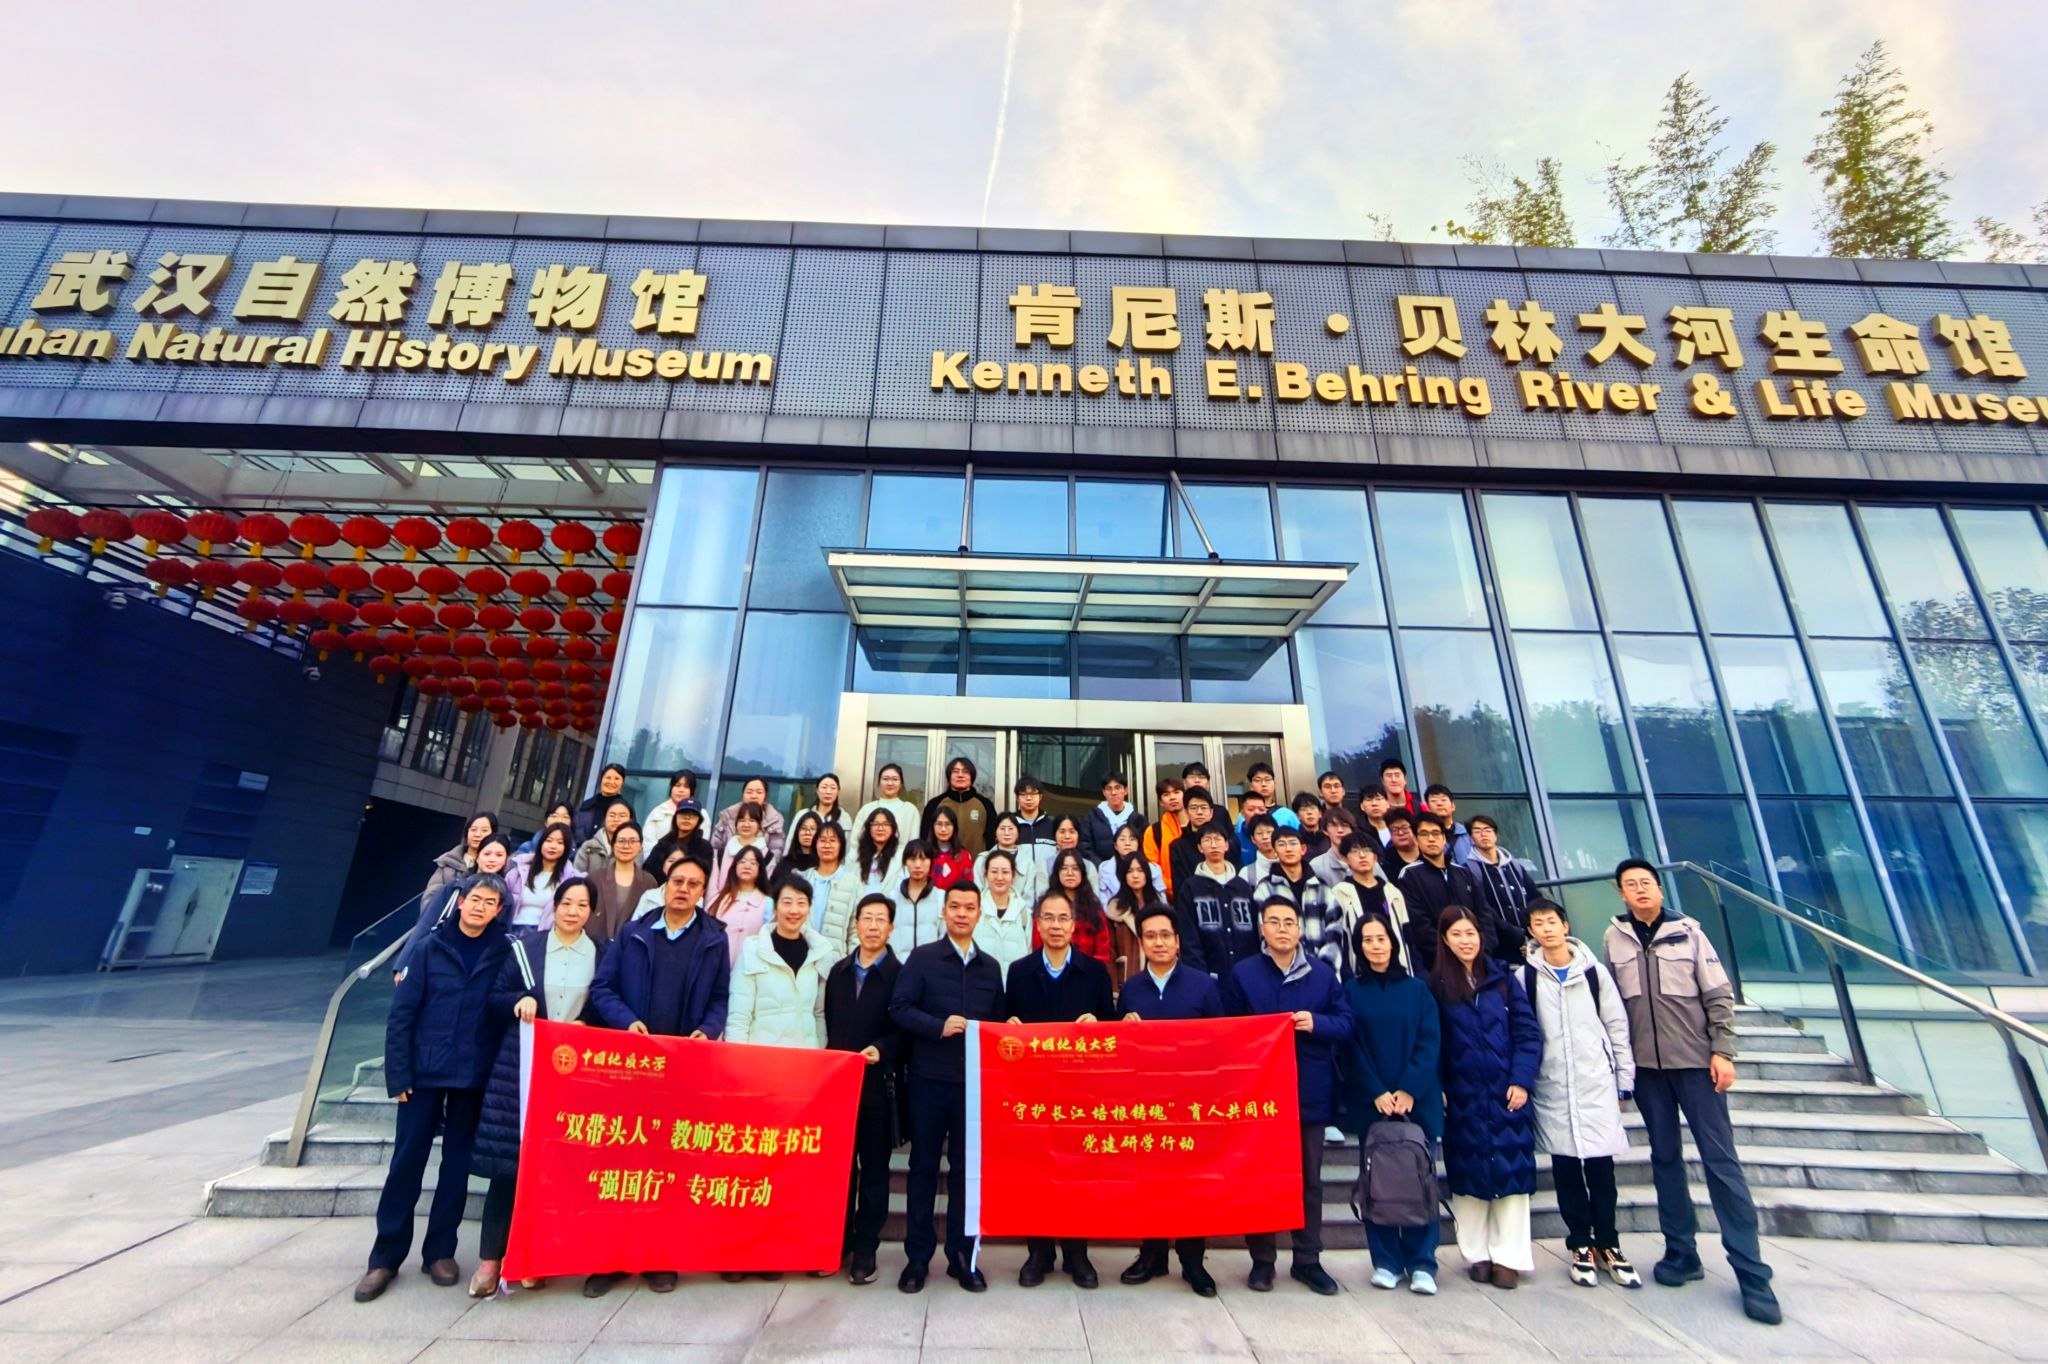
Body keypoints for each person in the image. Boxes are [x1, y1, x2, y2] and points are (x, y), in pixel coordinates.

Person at [1601, 860, 1779, 1324]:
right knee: (1664, 1159)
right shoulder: (1614, 939)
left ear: (1659, 889)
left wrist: (1723, 1050)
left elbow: (1719, 995)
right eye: (1630, 885)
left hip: (1698, 1064)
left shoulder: (1690, 933)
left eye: (1646, 883)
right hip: (1647, 1069)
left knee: (1721, 1162)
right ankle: (1681, 1252)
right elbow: (1612, 1006)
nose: (1640, 890)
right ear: (1621, 894)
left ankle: (1752, 1273)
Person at [354, 873, 510, 1303]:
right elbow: (402, 1014)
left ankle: (440, 1251)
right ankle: (385, 1257)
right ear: (460, 902)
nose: (480, 907)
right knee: (407, 1162)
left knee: (456, 1167)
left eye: (489, 903)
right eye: (475, 899)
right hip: (423, 1072)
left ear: (499, 911)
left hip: (472, 1075)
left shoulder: (503, 952)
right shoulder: (428, 948)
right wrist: (398, 1074)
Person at [585, 855, 727, 1297]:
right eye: (677, 881)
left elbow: (720, 997)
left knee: (669, 1167)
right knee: (622, 1165)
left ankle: (660, 1257)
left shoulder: (714, 939)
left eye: (693, 884)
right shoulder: (635, 932)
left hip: (682, 1071)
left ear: (703, 891)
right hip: (633, 1069)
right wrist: (626, 1022)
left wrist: (708, 1029)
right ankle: (610, 1259)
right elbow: (602, 988)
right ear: (665, 885)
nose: (683, 888)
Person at [469, 878, 605, 1298]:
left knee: (554, 1173)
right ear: (554, 906)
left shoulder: (602, 955)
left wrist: (588, 1023)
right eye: (566, 903)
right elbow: (494, 996)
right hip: (520, 1068)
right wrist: (518, 1001)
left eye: (582, 905)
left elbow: (605, 1003)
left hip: (571, 1074)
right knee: (508, 1170)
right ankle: (490, 1261)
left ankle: (534, 1257)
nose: (572, 911)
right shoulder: (527, 949)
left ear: (592, 912)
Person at [1222, 897, 1352, 1295]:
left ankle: (1307, 1260)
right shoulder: (1243, 973)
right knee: (1260, 1179)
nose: (1282, 929)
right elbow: (1227, 1029)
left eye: (1289, 922)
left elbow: (1346, 1023)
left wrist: (1317, 1023)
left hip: (1308, 1091)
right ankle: (1262, 1261)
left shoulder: (1322, 974)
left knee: (1309, 1181)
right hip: (1259, 1095)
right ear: (1262, 929)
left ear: (1299, 930)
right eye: (1274, 922)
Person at [889, 882, 1006, 1293]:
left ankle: (961, 1256)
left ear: (979, 914)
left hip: (973, 1087)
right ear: (944, 911)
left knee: (965, 1173)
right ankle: (917, 1259)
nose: (961, 913)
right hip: (928, 1081)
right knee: (923, 1168)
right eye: (954, 906)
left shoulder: (990, 967)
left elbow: (998, 1023)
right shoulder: (922, 959)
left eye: (969, 908)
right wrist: (937, 1026)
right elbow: (899, 1008)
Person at [1521, 898, 1641, 1290]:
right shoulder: (1525, 977)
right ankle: (1580, 1245)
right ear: (1531, 932)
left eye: (1551, 921)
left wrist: (1624, 1077)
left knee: (1602, 1169)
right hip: (1553, 1084)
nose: (1546, 929)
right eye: (1538, 924)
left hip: (1595, 1082)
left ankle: (1609, 1243)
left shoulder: (1593, 972)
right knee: (1566, 1169)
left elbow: (1616, 1024)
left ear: (1565, 925)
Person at [1003, 888, 1116, 1289]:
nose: (1055, 925)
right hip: (1032, 1092)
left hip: (1078, 1092)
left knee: (1077, 1172)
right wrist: (1009, 1027)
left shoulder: (1094, 972)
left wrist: (1098, 1025)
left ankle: (1077, 1253)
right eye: (1048, 918)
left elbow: (1111, 1027)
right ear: (1037, 924)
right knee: (1035, 1172)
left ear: (1073, 925)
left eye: (1062, 918)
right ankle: (1039, 1253)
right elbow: (1005, 1027)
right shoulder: (1019, 971)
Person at [1431, 904, 1542, 1291]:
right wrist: (1438, 1085)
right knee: (1468, 1177)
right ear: (1445, 940)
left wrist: (1521, 1080)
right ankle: (1477, 1254)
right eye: (1457, 934)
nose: (1466, 941)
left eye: (1471, 933)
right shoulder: (1436, 985)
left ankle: (1509, 1258)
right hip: (1461, 1095)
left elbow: (1527, 1033)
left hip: (1505, 1092)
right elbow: (1432, 1042)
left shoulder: (1503, 979)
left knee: (1511, 1175)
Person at [1115, 904, 1224, 1297]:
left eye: (1165, 935)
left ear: (1178, 942)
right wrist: (1124, 1029)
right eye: (1150, 936)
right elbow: (1118, 1050)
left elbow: (1220, 1043)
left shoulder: (1203, 986)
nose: (1158, 942)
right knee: (1150, 1181)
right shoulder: (1131, 989)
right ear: (1142, 943)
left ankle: (1193, 1261)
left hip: (1190, 1103)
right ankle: (1153, 1255)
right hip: (1146, 1102)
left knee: (1191, 1183)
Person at [1339, 914, 1443, 1296]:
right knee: (1378, 1184)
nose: (1375, 946)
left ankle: (1422, 1263)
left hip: (1417, 1103)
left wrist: (1409, 1089)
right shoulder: (1351, 992)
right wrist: (1376, 1091)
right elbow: (1350, 1046)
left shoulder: (1418, 989)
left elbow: (1430, 1041)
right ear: (1359, 947)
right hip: (1374, 1105)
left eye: (1381, 938)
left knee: (1420, 1181)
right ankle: (1386, 1261)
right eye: (1367, 940)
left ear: (1393, 942)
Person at [824, 893, 902, 1286]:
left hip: (878, 1087)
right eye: (866, 918)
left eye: (880, 919)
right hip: (840, 1086)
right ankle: (836, 1243)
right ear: (855, 924)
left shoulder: (901, 975)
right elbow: (830, 1023)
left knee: (873, 1170)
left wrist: (882, 1049)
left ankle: (866, 1247)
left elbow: (904, 1029)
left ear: (891, 928)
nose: (872, 926)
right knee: (838, 1170)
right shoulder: (838, 972)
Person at [727, 877, 832, 1048]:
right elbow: (738, 1017)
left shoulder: (819, 953)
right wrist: (737, 1058)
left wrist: (820, 1052)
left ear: (809, 908)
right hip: (763, 1056)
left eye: (801, 903)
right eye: (787, 902)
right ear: (775, 907)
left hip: (805, 1056)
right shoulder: (752, 952)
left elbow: (818, 1015)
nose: (794, 910)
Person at [402, 835, 514, 973]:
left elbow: (503, 936)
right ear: (477, 856)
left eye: (499, 855)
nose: (492, 859)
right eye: (487, 854)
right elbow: (425, 925)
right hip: (438, 957)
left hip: (474, 968)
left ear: (506, 860)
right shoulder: (455, 887)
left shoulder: (506, 898)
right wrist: (402, 965)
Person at [1398, 813, 1484, 972]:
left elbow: (1483, 913)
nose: (1431, 839)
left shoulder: (1463, 873)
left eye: (1436, 833)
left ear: (1444, 838)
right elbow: (1418, 924)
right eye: (1424, 834)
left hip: (1476, 958)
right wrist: (1450, 951)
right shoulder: (1409, 875)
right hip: (1437, 963)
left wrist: (1482, 949)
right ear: (1416, 840)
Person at [1175, 823, 1257, 979]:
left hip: (1246, 975)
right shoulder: (1191, 887)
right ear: (1200, 847)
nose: (1213, 845)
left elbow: (1253, 934)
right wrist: (1200, 976)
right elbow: (1189, 937)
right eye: (1207, 840)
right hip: (1207, 977)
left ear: (1226, 845)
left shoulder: (1242, 886)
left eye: (1218, 839)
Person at [1326, 833, 1412, 980]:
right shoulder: (1339, 894)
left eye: (1367, 850)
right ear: (1345, 859)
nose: (1362, 856)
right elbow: (1336, 940)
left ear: (1375, 857)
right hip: (1358, 974)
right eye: (1355, 851)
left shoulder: (1392, 893)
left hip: (1396, 971)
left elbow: (1406, 934)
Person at [1254, 828, 1334, 970]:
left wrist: (1325, 967)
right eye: (1281, 844)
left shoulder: (1321, 888)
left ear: (1303, 849)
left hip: (1322, 969)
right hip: (1282, 969)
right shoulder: (1265, 889)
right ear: (1274, 851)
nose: (1288, 849)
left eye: (1293, 843)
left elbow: (1335, 929)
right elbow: (1264, 933)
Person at [1466, 815, 1537, 956]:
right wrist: (1516, 936)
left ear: (1495, 835)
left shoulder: (1515, 866)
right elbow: (1482, 909)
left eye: (1488, 830)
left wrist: (1533, 934)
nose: (1483, 834)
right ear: (1471, 838)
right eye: (1477, 831)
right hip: (1499, 945)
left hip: (1531, 938)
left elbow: (1534, 897)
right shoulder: (1468, 870)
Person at [1103, 850, 1166, 990]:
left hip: (1159, 980)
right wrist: (1114, 989)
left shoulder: (1159, 907)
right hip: (1128, 980)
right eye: (1130, 871)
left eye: (1140, 870)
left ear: (1147, 874)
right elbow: (1110, 952)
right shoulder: (1115, 910)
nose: (1135, 875)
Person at [1041, 849, 1113, 970]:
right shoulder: (1047, 906)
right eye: (1064, 868)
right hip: (1052, 971)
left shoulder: (1093, 907)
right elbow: (1039, 944)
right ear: (1057, 873)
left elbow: (1102, 950)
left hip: (1087, 972)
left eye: (1075, 868)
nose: (1070, 873)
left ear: (1082, 873)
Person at [503, 821, 583, 931]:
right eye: (549, 841)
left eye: (560, 843)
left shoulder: (571, 879)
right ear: (541, 843)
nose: (553, 846)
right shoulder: (518, 872)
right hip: (511, 931)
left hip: (544, 935)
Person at [587, 821, 655, 944]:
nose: (626, 846)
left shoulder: (649, 882)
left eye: (632, 841)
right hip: (594, 945)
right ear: (613, 845)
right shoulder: (595, 878)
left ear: (641, 846)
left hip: (631, 946)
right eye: (621, 841)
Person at [708, 844, 771, 966]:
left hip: (750, 968)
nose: (747, 866)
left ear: (760, 869)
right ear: (734, 867)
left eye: (753, 863)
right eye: (742, 862)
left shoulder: (768, 903)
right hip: (717, 966)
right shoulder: (719, 900)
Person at [971, 849, 1033, 974]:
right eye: (994, 872)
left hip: (1013, 983)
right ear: (986, 875)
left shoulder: (1024, 913)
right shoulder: (974, 909)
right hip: (982, 982)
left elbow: (1028, 953)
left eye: (1005, 872)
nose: (999, 877)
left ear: (1013, 875)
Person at [422, 811, 499, 910]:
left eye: (484, 830)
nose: (477, 834)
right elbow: (430, 896)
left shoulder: (496, 866)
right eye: (473, 829)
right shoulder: (448, 861)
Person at [921, 756, 997, 856]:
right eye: (955, 771)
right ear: (949, 776)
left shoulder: (985, 804)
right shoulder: (934, 804)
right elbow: (925, 838)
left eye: (965, 772)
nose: (960, 775)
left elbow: (993, 839)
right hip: (941, 864)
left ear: (972, 776)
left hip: (978, 864)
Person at [807, 821, 862, 955]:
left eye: (833, 841)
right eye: (822, 840)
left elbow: (855, 931)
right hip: (804, 957)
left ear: (841, 845)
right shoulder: (804, 878)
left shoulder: (852, 882)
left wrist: (852, 960)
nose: (827, 845)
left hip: (835, 959)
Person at [1168, 787, 1239, 891]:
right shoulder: (1178, 847)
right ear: (1186, 812)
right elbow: (1180, 886)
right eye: (1194, 808)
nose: (1199, 812)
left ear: (1211, 812)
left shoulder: (1225, 842)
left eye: (1204, 807)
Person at [888, 840, 944, 959]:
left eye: (923, 859)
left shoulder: (941, 897)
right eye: (912, 859)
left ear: (931, 862)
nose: (918, 865)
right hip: (899, 966)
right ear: (905, 863)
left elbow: (944, 936)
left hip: (930, 965)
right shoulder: (892, 898)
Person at [975, 813, 1043, 908]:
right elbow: (977, 893)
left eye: (1011, 829)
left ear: (1018, 833)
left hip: (1018, 914)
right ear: (995, 832)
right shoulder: (982, 860)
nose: (1006, 833)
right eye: (1002, 829)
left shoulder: (1027, 862)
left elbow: (1028, 898)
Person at [713, 777, 788, 860]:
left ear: (765, 796)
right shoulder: (727, 816)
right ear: (743, 794)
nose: (753, 796)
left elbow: (776, 852)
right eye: (749, 792)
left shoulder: (774, 820)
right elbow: (715, 847)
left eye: (759, 792)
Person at [853, 763, 922, 853]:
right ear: (879, 782)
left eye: (895, 779)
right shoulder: (867, 809)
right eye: (885, 779)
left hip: (901, 860)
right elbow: (855, 843)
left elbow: (914, 844)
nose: (890, 783)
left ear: (901, 784)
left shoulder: (910, 810)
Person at [710, 802, 770, 899]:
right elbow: (712, 889)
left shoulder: (767, 855)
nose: (746, 824)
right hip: (722, 904)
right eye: (742, 820)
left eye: (752, 820)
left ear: (759, 825)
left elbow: (766, 888)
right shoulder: (722, 853)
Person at [1142, 776, 1188, 898]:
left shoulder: (1199, 826)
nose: (1172, 797)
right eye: (1166, 794)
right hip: (1170, 897)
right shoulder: (1153, 832)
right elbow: (1153, 868)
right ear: (1161, 802)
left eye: (1177, 792)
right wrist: (1175, 888)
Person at [1080, 772, 1140, 862]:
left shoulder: (1138, 819)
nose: (1113, 793)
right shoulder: (1092, 817)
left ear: (1126, 790)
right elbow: (1085, 846)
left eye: (1117, 788)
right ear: (1104, 792)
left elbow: (1144, 848)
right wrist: (1102, 867)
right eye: (1109, 789)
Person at [642, 798, 710, 876]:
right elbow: (649, 871)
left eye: (693, 815)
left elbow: (704, 874)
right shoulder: (663, 844)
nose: (687, 818)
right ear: (675, 817)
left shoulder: (704, 847)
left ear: (699, 820)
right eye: (683, 813)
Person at [1094, 821, 1158, 903]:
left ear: (1138, 844)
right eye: (1122, 839)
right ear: (1115, 846)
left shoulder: (1154, 869)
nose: (1127, 843)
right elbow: (1103, 900)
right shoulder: (1104, 868)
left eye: (1132, 839)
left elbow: (1160, 900)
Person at [574, 797, 635, 877]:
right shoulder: (588, 846)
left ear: (630, 820)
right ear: (605, 819)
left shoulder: (635, 848)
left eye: (622, 816)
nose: (616, 819)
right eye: (612, 815)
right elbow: (576, 877)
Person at [571, 764, 627, 847]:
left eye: (617, 779)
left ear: (622, 783)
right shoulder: (585, 806)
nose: (611, 782)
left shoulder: (625, 810)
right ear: (601, 780)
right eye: (608, 778)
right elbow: (571, 833)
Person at [640, 770, 697, 850]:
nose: (681, 790)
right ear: (671, 788)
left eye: (686, 787)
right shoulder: (658, 812)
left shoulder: (701, 814)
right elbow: (648, 843)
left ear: (692, 791)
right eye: (677, 785)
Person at [855, 807, 905, 897]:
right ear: (869, 828)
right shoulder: (855, 855)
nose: (880, 828)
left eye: (886, 824)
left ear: (892, 829)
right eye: (875, 824)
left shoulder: (901, 856)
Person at [1424, 784, 1474, 864]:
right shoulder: (1425, 836)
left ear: (1453, 806)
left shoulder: (1467, 832)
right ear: (1427, 808)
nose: (1439, 803)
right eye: (1434, 801)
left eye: (1443, 800)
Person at [925, 808, 974, 889]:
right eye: (939, 824)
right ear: (932, 827)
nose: (943, 829)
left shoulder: (964, 856)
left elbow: (968, 886)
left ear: (954, 827)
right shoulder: (925, 854)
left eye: (948, 824)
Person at [1309, 806, 1356, 887]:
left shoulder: (1368, 861)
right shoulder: (1316, 865)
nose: (1340, 830)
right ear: (1325, 831)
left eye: (1344, 825)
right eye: (1334, 825)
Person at [1244, 762, 1300, 830]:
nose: (1263, 784)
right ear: (1251, 786)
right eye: (1258, 780)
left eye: (1267, 780)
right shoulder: (1244, 815)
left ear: (1274, 784)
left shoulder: (1287, 815)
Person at [1010, 774, 1057, 848]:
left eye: (1033, 793)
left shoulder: (1052, 825)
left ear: (1040, 797)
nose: (1029, 798)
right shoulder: (1010, 825)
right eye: (1024, 794)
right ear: (1017, 798)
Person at [782, 811, 824, 876]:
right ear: (797, 832)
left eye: (813, 829)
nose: (807, 833)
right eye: (803, 828)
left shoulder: (824, 864)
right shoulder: (785, 863)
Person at [1292, 792, 1331, 861]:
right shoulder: (1295, 840)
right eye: (1304, 809)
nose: (1309, 812)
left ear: (1320, 813)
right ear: (1297, 816)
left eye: (1313, 808)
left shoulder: (1330, 836)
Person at [1382, 808, 1422, 874]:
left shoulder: (1425, 849)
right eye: (1394, 830)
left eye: (1405, 828)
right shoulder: (1387, 859)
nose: (1400, 833)